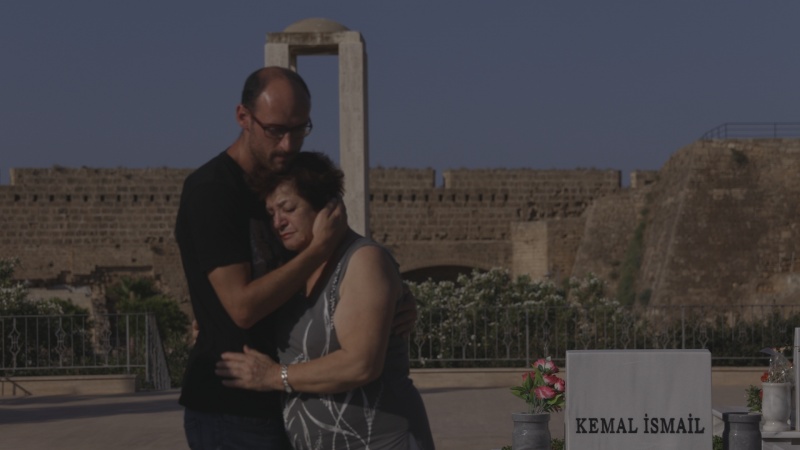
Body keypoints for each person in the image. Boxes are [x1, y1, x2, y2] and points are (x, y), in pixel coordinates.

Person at [175, 67, 416, 449]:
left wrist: (390, 299)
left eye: (300, 129)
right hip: (233, 408)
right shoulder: (213, 192)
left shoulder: (285, 181)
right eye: (275, 130)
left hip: (287, 408)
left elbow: (339, 274)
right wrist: (319, 250)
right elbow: (241, 307)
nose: (288, 144)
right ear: (243, 117)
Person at [216, 152, 435, 450]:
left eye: (288, 208)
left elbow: (361, 364)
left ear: (327, 207)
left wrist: (273, 376)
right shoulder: (290, 270)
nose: (278, 222)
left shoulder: (363, 261)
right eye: (271, 213)